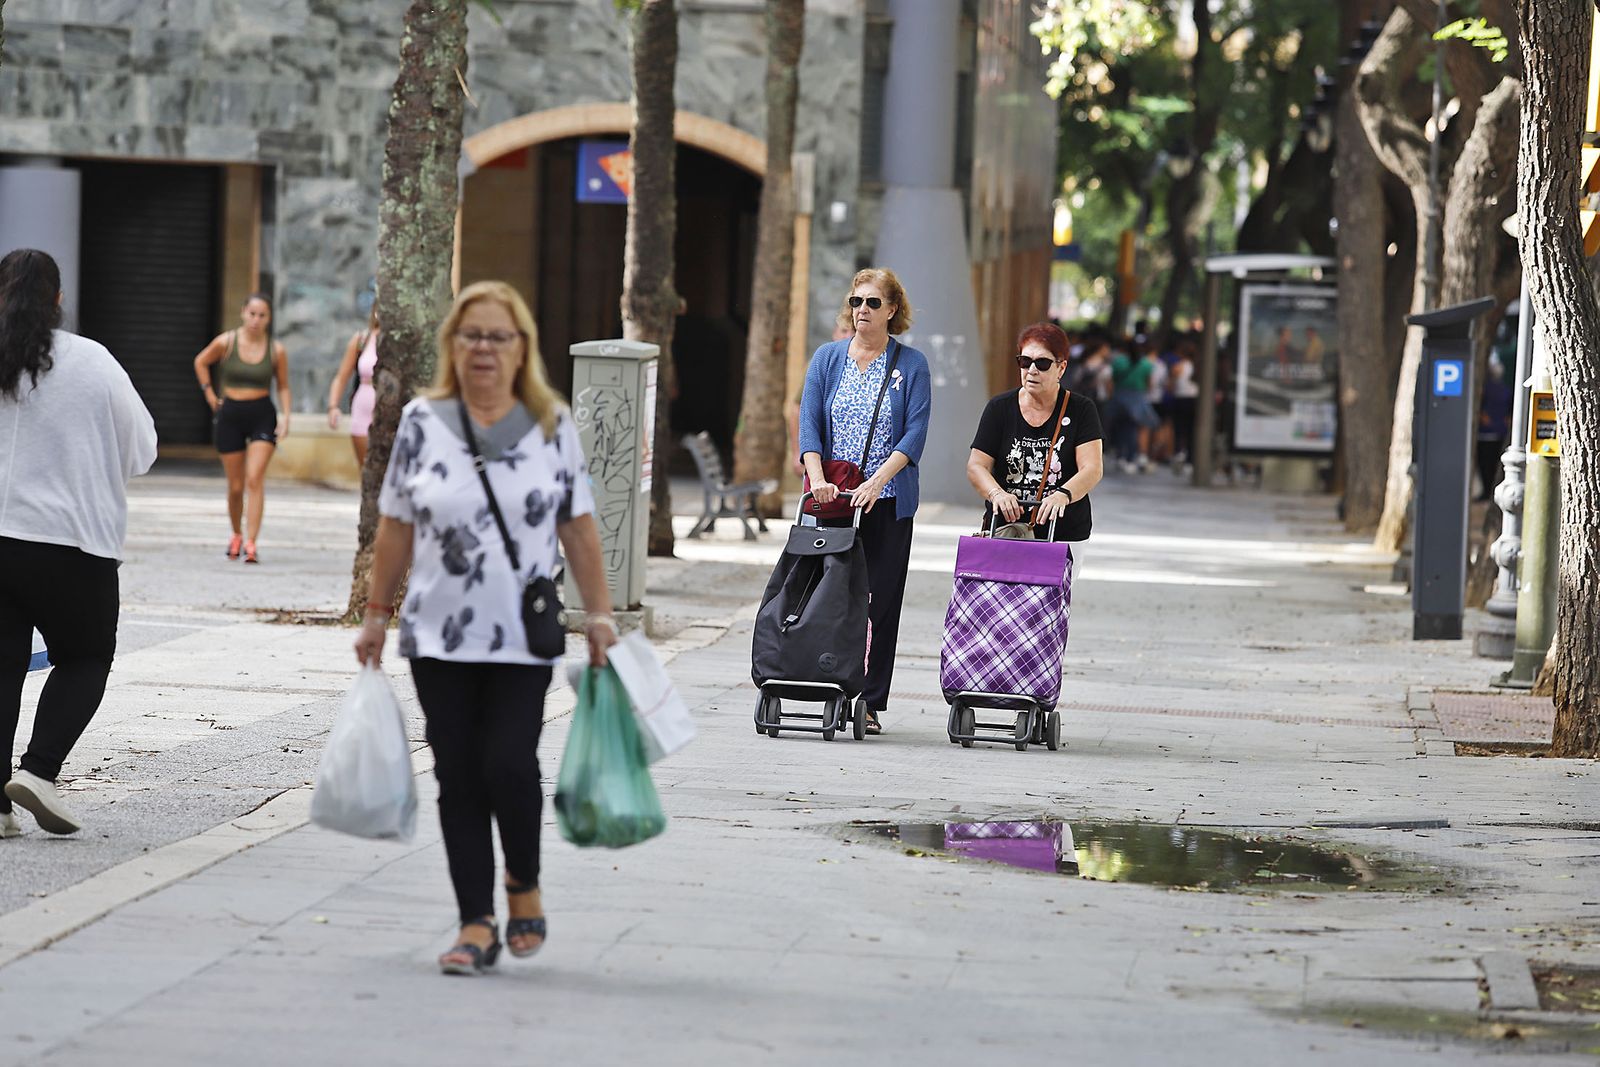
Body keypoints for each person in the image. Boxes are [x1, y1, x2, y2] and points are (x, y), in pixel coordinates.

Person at [353, 280, 618, 976]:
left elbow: (579, 526)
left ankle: (522, 879)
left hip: (520, 634)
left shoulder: (551, 423)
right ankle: (475, 920)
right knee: (458, 774)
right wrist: (376, 615)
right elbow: (395, 525)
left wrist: (599, 614)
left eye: (498, 336)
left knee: (507, 761)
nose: (483, 349)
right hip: (437, 635)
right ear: (452, 345)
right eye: (471, 335)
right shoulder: (420, 420)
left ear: (520, 346)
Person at [0, 249, 157, 837]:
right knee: (85, 657)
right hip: (73, 545)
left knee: (2, 666)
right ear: (58, 301)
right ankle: (39, 772)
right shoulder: (93, 361)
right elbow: (142, 450)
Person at [797, 267, 931, 735]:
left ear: (892, 310)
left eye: (872, 303)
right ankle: (825, 680)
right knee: (828, 595)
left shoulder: (910, 365)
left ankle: (870, 700)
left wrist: (877, 481)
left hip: (887, 501)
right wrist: (816, 479)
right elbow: (809, 424)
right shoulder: (827, 358)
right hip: (832, 499)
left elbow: (915, 432)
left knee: (880, 600)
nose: (862, 311)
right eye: (856, 302)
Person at [967, 321, 1104, 544]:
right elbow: (976, 465)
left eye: (1042, 363)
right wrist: (997, 494)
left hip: (1063, 532)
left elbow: (1092, 468)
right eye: (1025, 361)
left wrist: (1063, 495)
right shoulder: (999, 408)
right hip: (1006, 529)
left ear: (1061, 368)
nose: (1032, 370)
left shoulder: (1081, 409)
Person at [192, 293, 291, 564]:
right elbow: (200, 361)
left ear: (269, 318)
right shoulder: (227, 342)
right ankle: (236, 533)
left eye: (262, 315)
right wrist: (210, 395)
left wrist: (286, 415)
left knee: (254, 478)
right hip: (231, 414)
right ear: (243, 313)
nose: (256, 320)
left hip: (262, 413)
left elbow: (282, 385)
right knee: (236, 486)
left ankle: (251, 542)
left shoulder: (276, 350)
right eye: (252, 314)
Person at [328, 305, 380, 467]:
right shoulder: (362, 339)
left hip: (392, 410)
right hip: (364, 407)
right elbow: (341, 377)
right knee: (367, 469)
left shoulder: (404, 340)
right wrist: (333, 406)